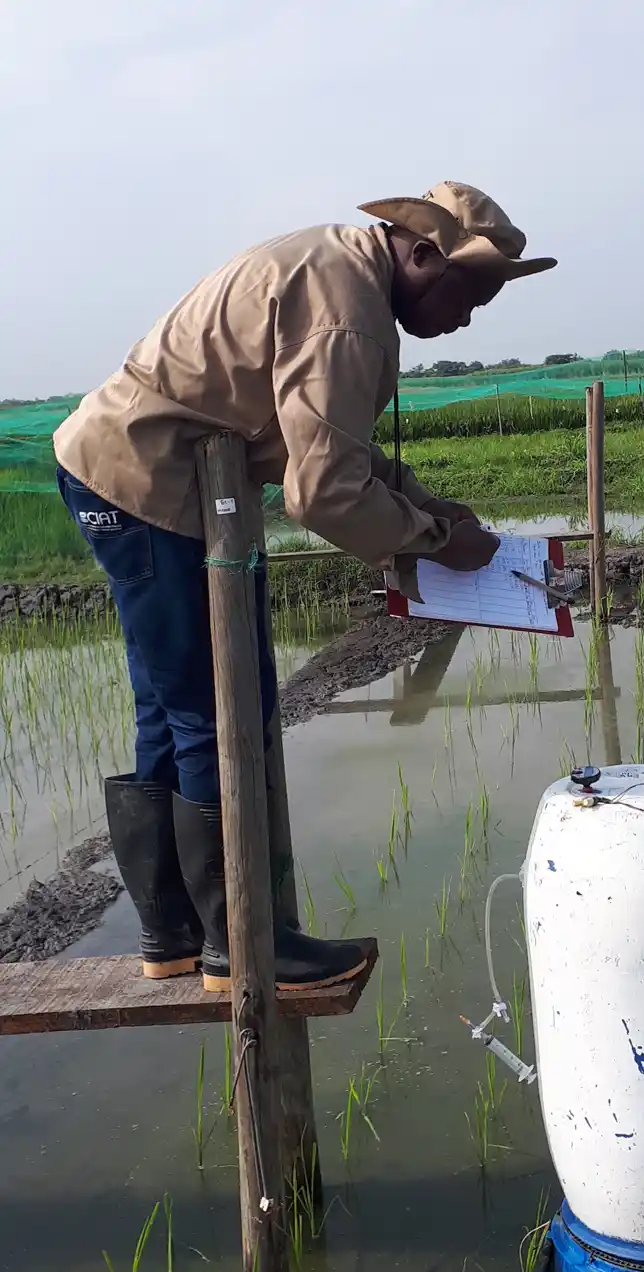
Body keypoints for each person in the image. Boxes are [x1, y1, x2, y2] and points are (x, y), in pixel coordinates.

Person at [53, 182, 556, 993]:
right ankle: (244, 944)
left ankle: (175, 935)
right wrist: (433, 543)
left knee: (172, 706)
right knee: (221, 708)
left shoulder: (338, 273)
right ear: (422, 254)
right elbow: (322, 492)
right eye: (469, 295)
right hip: (147, 487)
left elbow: (322, 446)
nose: (466, 320)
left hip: (134, 476)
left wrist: (428, 506)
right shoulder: (347, 313)